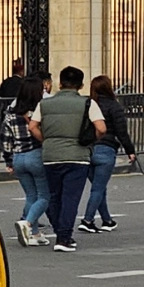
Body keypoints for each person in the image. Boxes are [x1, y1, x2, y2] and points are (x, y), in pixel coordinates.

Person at [28, 67, 108, 253]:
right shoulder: (88, 103)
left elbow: (32, 126)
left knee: (54, 196)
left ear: (60, 83)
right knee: (70, 198)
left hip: (51, 155)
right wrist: (91, 141)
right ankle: (64, 237)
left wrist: (46, 140)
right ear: (81, 85)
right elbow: (102, 128)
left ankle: (60, 231)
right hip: (77, 156)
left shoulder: (45, 103)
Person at [0, 76, 48, 245]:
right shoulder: (39, 112)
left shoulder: (10, 114)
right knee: (44, 196)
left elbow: (5, 139)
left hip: (18, 156)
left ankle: (33, 233)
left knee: (30, 196)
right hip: (36, 154)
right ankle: (27, 223)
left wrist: (8, 161)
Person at [83, 75, 133, 232]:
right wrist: (130, 150)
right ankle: (88, 220)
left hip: (88, 149)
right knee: (98, 188)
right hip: (106, 148)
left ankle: (107, 220)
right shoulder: (114, 106)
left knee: (99, 187)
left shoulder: (88, 105)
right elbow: (121, 131)